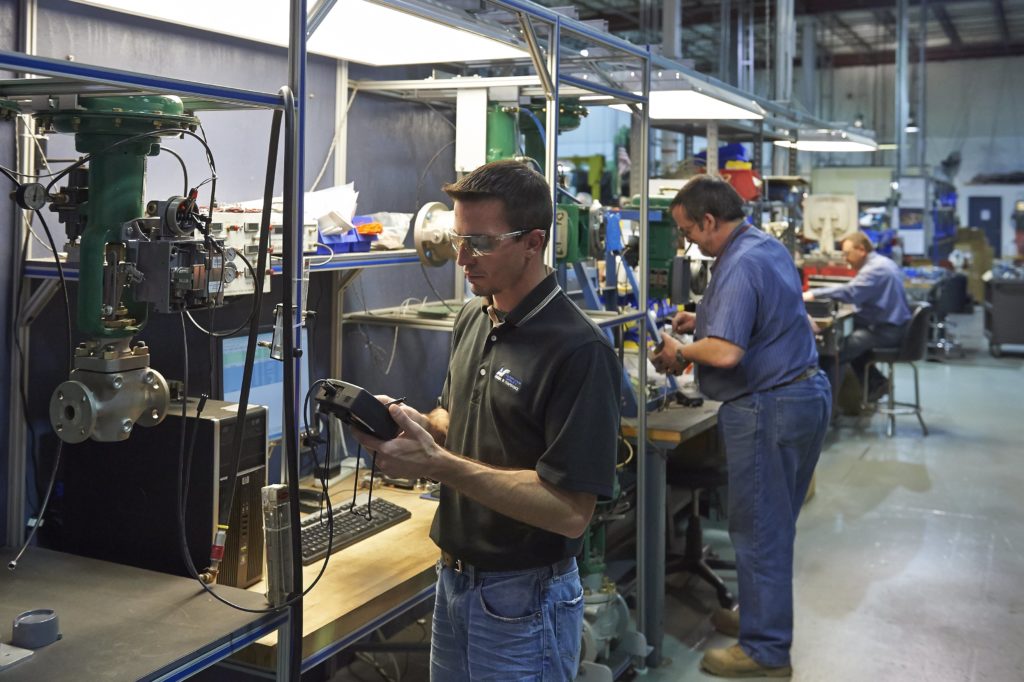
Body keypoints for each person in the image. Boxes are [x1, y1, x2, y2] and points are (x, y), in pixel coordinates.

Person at [352, 159, 621, 681]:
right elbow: (454, 419)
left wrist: (441, 467)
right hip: (453, 583)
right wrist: (411, 427)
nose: (460, 258)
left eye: (479, 243)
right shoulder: (476, 315)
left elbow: (570, 512)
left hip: (524, 599)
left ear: (533, 241)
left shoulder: (579, 351)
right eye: (458, 239)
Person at [650, 176, 831, 678]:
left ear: (710, 221)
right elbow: (754, 316)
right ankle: (759, 617)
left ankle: (766, 650)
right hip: (803, 394)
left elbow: (727, 352)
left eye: (689, 231)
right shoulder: (761, 246)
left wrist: (680, 351)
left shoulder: (740, 262)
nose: (687, 242)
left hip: (769, 407)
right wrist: (699, 314)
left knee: (758, 532)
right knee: (774, 525)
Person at [803, 231, 911, 401]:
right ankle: (876, 384)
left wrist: (814, 294)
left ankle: (826, 407)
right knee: (850, 345)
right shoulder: (881, 263)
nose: (845, 259)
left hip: (887, 331)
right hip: (889, 327)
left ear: (861, 249)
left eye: (847, 253)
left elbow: (851, 292)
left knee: (836, 353)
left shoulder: (876, 269)